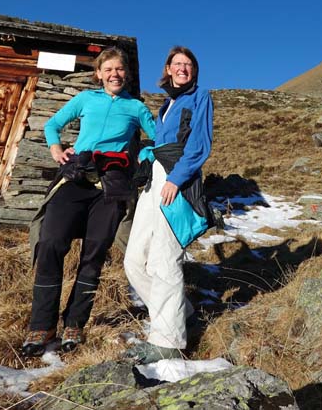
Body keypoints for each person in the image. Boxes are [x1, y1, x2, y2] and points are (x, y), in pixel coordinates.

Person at [22, 46, 157, 357]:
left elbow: (157, 139)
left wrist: (144, 157)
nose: (114, 74)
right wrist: (56, 150)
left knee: (94, 254)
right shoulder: (85, 100)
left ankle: (75, 324)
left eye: (119, 69)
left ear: (128, 74)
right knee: (52, 243)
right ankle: (41, 325)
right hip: (76, 177)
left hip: (111, 186)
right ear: (98, 74)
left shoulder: (136, 108)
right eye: (108, 69)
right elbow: (52, 125)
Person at [123, 45, 214, 363]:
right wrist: (148, 156)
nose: (183, 68)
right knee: (134, 261)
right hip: (153, 181)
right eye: (178, 63)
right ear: (167, 68)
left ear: (194, 71)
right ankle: (184, 314)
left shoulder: (200, 97)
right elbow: (162, 143)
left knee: (165, 260)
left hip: (177, 180)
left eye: (189, 64)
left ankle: (169, 342)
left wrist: (177, 179)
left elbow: (200, 145)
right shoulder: (166, 105)